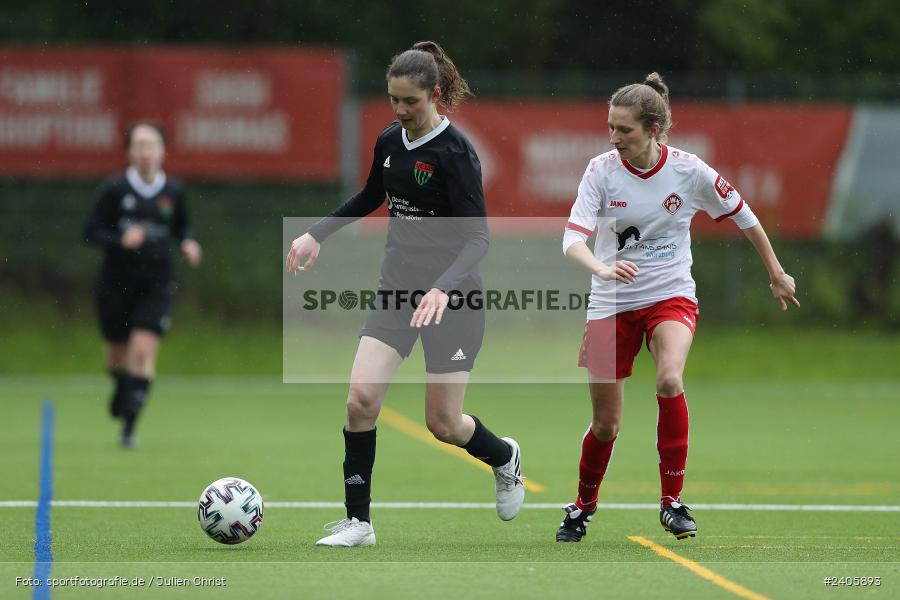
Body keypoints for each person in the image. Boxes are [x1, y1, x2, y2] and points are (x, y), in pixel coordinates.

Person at [286, 41, 524, 548]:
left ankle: (504, 457)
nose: (400, 111)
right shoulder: (390, 140)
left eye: (410, 102)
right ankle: (359, 523)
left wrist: (441, 289)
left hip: (453, 302)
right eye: (393, 100)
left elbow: (477, 238)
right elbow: (373, 195)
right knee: (360, 400)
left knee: (442, 423)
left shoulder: (456, 153)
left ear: (434, 95)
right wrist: (316, 233)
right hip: (397, 291)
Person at [557, 73, 799, 542]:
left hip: (670, 295)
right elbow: (572, 238)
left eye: (623, 130)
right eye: (610, 127)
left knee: (670, 377)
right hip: (609, 302)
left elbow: (744, 215)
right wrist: (601, 269)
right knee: (606, 425)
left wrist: (776, 271)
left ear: (653, 129)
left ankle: (672, 503)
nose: (614, 138)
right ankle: (583, 505)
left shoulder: (689, 171)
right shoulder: (600, 170)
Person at [84, 122, 202, 448]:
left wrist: (189, 243)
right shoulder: (114, 189)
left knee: (143, 352)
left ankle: (128, 429)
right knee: (116, 357)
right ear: (129, 151)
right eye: (139, 145)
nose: (145, 151)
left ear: (163, 151)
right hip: (115, 284)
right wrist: (120, 239)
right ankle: (121, 386)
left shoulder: (174, 191)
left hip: (157, 283)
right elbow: (91, 231)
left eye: (151, 145)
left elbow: (182, 227)